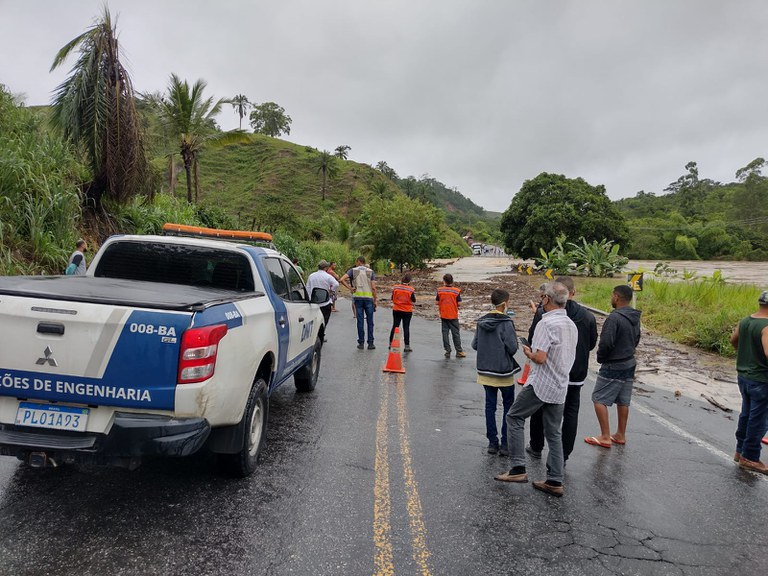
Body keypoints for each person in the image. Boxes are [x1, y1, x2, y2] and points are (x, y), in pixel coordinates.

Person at [494, 282, 577, 498]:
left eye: (542, 297)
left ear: (547, 299)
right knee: (554, 432)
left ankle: (518, 468)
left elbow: (540, 358)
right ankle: (555, 480)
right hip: (560, 384)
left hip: (542, 382)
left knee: (514, 417)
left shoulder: (545, 323)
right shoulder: (571, 324)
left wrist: (529, 353)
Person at [527, 277, 598, 463]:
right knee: (570, 413)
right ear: (572, 293)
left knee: (539, 407)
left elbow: (533, 339)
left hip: (550, 371)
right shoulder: (587, 316)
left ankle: (536, 446)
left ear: (550, 295)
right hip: (576, 373)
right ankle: (563, 455)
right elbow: (591, 344)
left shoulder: (544, 313)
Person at [584, 284, 642, 449]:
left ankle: (604, 436)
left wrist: (601, 358)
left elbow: (606, 342)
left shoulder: (614, 318)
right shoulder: (635, 316)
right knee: (623, 400)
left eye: (612, 295)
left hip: (614, 364)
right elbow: (637, 338)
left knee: (598, 398)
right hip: (630, 362)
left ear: (616, 297)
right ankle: (620, 434)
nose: (611, 298)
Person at [472, 288, 519, 456]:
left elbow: (475, 345)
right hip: (504, 372)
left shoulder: (481, 321)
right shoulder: (506, 322)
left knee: (489, 406)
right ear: (505, 303)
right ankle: (506, 444)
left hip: (485, 371)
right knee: (508, 407)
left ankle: (492, 442)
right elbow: (512, 348)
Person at [729, 290, 768, 474]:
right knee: (758, 419)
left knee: (746, 414)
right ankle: (750, 457)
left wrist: (745, 353)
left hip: (744, 376)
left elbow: (733, 340)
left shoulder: (745, 321)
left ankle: (740, 450)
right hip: (762, 379)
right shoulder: (766, 326)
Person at [342, 256, 377, 349]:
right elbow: (373, 288)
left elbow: (341, 279)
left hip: (358, 299)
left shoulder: (353, 271)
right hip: (369, 299)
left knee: (360, 321)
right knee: (370, 322)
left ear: (358, 261)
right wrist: (375, 300)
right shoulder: (370, 272)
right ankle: (370, 343)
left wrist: (350, 288)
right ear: (364, 262)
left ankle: (361, 343)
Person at [437, 273, 465, 358]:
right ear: (452, 281)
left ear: (444, 281)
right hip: (453, 315)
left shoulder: (440, 290)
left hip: (443, 314)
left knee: (445, 333)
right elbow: (459, 303)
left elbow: (436, 302)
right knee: (455, 333)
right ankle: (459, 351)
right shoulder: (456, 291)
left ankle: (447, 350)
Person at [305, 260, 339, 330]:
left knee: (314, 321)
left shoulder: (311, 276)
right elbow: (336, 284)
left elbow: (307, 288)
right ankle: (321, 333)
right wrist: (331, 290)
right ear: (326, 268)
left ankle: (316, 334)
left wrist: (309, 299)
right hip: (325, 302)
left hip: (314, 302)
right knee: (324, 320)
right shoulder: (327, 276)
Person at [389, 274, 415, 352]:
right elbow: (414, 300)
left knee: (395, 326)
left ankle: (390, 344)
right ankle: (407, 346)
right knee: (406, 327)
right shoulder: (411, 290)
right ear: (409, 281)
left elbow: (392, 298)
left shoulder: (395, 288)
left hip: (396, 309)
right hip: (407, 311)